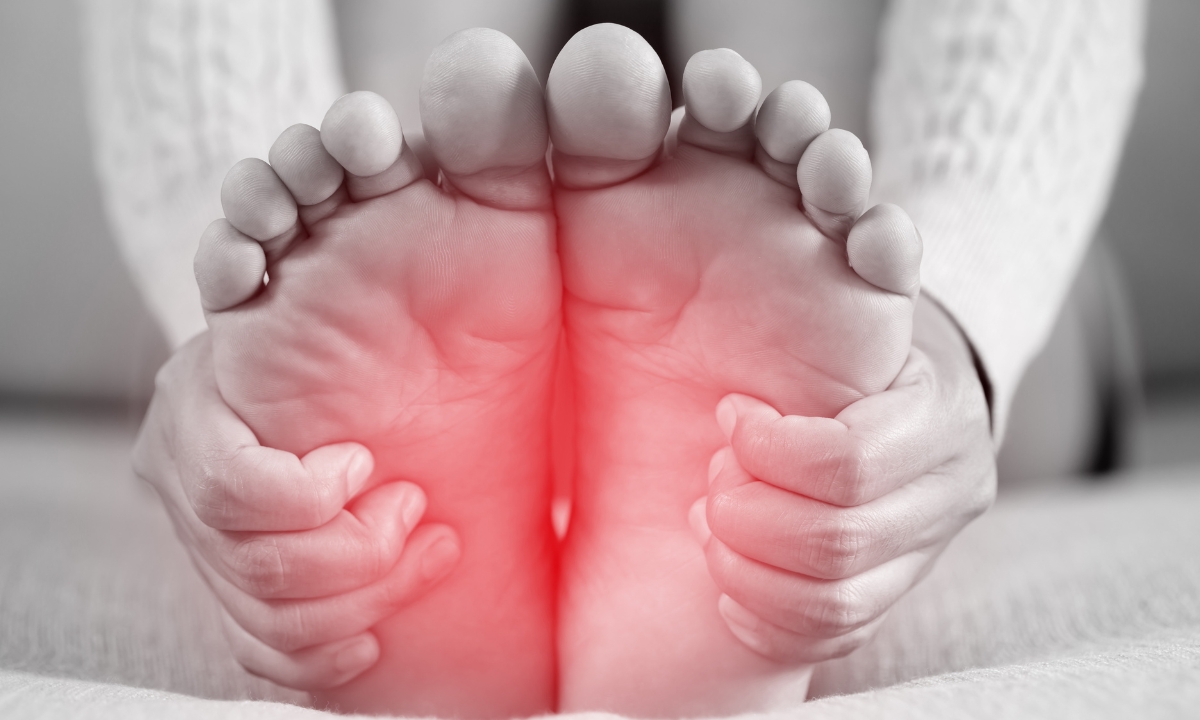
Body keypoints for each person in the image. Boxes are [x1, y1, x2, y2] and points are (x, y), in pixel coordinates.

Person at [81, 0, 1145, 716]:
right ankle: (741, 448)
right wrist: (213, 338)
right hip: (783, 187)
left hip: (895, 217)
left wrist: (959, 327)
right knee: (845, 221)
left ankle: (414, 252)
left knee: (920, 290)